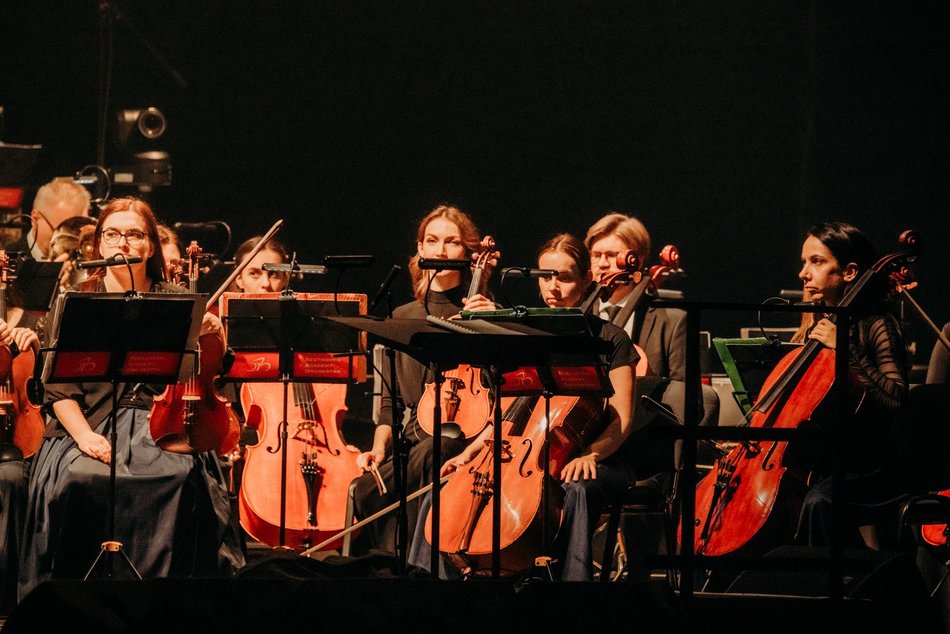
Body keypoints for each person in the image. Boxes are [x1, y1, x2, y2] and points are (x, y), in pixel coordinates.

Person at [17, 196, 244, 600]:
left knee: (179, 477)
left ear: (151, 245)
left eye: (134, 234)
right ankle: (76, 600)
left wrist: (212, 333)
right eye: (113, 233)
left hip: (159, 422)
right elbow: (58, 391)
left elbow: (206, 372)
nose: (122, 242)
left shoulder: (177, 300)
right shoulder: (72, 302)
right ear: (99, 244)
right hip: (86, 422)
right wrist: (84, 436)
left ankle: (157, 601)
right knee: (78, 477)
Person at [410, 233, 636, 581]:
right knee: (443, 494)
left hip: (599, 455)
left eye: (564, 277)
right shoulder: (524, 334)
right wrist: (470, 454)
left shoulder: (611, 339)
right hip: (530, 455)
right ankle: (427, 585)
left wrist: (592, 455)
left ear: (587, 279)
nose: (553, 287)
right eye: (546, 276)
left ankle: (571, 587)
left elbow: (622, 418)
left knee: (577, 489)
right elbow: (504, 413)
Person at [349, 204, 487, 558]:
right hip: (410, 439)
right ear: (420, 249)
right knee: (363, 488)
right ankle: (385, 569)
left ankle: (421, 566)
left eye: (452, 242)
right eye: (432, 241)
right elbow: (390, 401)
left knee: (433, 451)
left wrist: (489, 324)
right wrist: (379, 448)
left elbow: (500, 392)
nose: (441, 251)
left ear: (468, 252)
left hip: (462, 440)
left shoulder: (482, 312)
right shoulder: (402, 316)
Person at [787, 221, 909, 548]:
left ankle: (842, 587)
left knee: (819, 504)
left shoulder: (877, 324)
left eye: (816, 261)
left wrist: (844, 349)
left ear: (850, 271)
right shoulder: (818, 326)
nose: (803, 273)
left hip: (872, 465)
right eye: (803, 262)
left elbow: (896, 398)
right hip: (829, 460)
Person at [585, 212, 686, 381]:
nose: (602, 264)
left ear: (637, 261)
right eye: (596, 255)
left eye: (612, 255)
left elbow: (685, 397)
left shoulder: (673, 322)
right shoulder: (580, 314)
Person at [4, 177, 91, 261]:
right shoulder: (8, 261)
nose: (70, 242)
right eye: (61, 232)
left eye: (77, 232)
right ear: (35, 219)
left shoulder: (84, 259)